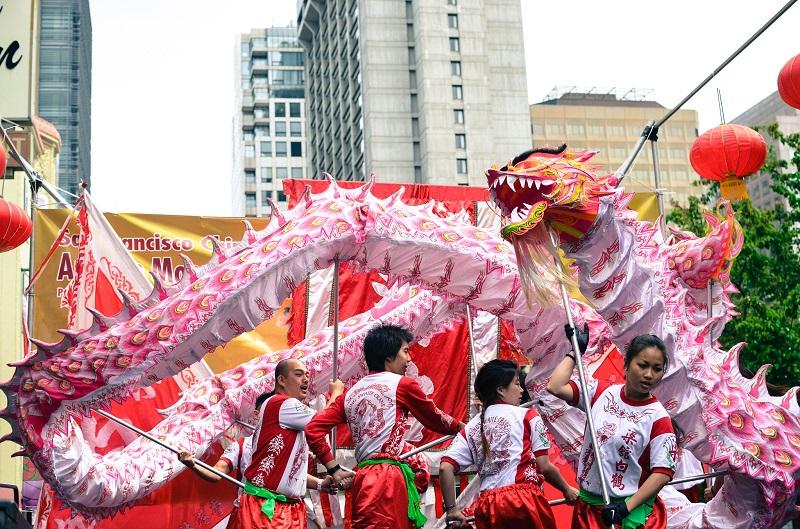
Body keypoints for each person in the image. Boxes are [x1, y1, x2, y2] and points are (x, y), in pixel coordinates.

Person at [306, 324, 465, 529]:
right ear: (389, 356)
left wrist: (334, 469)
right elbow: (434, 417)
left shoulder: (350, 394)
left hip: (363, 476)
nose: (409, 359)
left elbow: (313, 429)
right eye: (405, 351)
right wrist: (462, 428)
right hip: (387, 476)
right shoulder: (402, 384)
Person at [181, 358, 343, 529]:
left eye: (306, 375)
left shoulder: (293, 431)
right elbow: (322, 422)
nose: (305, 380)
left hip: (291, 508)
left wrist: (319, 484)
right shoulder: (279, 404)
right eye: (298, 374)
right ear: (281, 380)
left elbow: (292, 473)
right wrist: (336, 394)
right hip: (265, 507)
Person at [547, 331, 677, 529]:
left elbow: (663, 472)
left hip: (624, 513)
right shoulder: (600, 392)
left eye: (657, 369)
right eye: (642, 365)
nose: (649, 374)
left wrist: (625, 508)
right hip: (587, 509)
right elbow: (555, 387)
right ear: (627, 364)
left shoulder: (659, 418)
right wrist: (575, 352)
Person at [439, 359, 579, 529]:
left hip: (487, 504)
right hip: (522, 500)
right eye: (517, 384)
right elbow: (544, 467)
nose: (521, 391)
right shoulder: (528, 416)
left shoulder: (471, 428)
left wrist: (451, 509)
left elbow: (445, 467)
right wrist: (566, 489)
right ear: (500, 390)